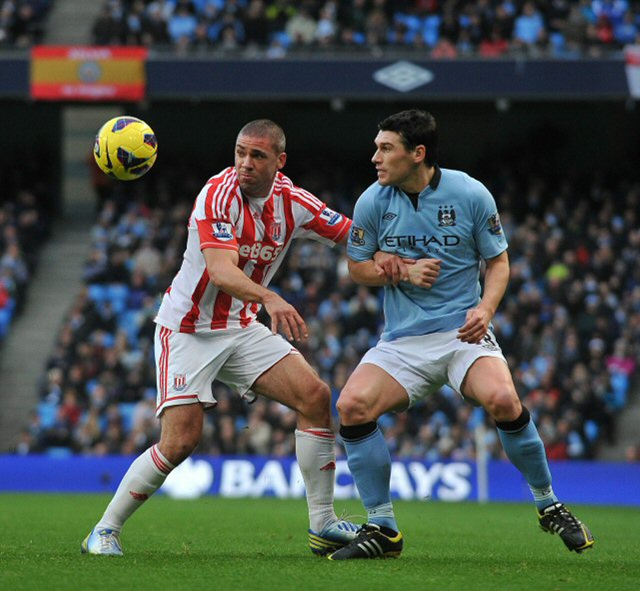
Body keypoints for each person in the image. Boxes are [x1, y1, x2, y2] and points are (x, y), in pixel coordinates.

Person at [81, 119, 360, 556]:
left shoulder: (294, 202)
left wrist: (400, 254)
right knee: (180, 441)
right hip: (188, 328)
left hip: (240, 326)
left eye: (257, 156)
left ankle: (323, 523)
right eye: (239, 153)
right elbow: (221, 271)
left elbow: (353, 234)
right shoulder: (217, 195)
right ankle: (103, 530)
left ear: (279, 161)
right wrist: (271, 298)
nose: (244, 164)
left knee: (315, 396)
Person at [328, 109, 595, 560]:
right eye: (376, 147)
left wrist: (485, 309)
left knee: (504, 401)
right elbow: (357, 268)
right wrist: (394, 271)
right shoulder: (372, 201)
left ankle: (548, 504)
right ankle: (383, 527)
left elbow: (498, 262)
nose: (375, 156)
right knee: (351, 407)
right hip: (403, 341)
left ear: (419, 154)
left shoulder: (470, 193)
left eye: (385, 148)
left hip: (461, 333)